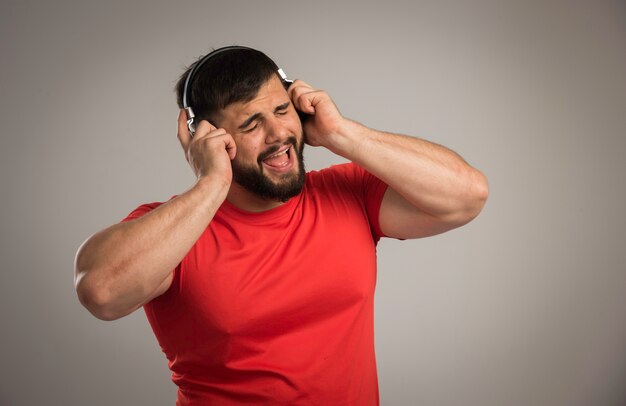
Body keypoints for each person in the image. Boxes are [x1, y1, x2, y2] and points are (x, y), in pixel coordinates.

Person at [74, 46, 488, 405]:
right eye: (251, 124)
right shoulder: (174, 230)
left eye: (281, 110)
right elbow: (101, 292)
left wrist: (341, 132)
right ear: (208, 138)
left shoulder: (349, 193)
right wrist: (211, 182)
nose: (278, 135)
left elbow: (466, 196)